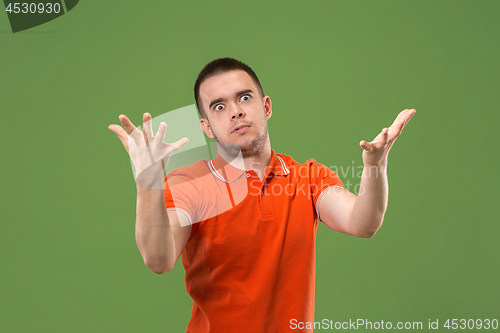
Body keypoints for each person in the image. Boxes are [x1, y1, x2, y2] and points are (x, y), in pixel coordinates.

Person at [108, 57, 416, 332]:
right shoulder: (191, 182)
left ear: (266, 106)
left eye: (244, 98)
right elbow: (158, 258)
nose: (236, 112)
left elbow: (363, 222)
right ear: (207, 127)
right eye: (219, 106)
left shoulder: (308, 177)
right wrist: (148, 181)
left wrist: (375, 165)